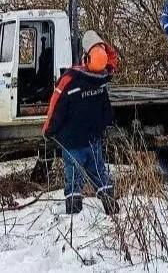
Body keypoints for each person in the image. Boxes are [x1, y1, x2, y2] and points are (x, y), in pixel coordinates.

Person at [43, 30, 119, 216]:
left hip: (71, 142)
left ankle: (74, 217)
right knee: (100, 176)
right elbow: (107, 115)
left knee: (73, 181)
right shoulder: (101, 82)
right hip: (93, 140)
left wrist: (48, 130)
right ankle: (112, 209)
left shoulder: (69, 81)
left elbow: (56, 108)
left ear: (85, 58)